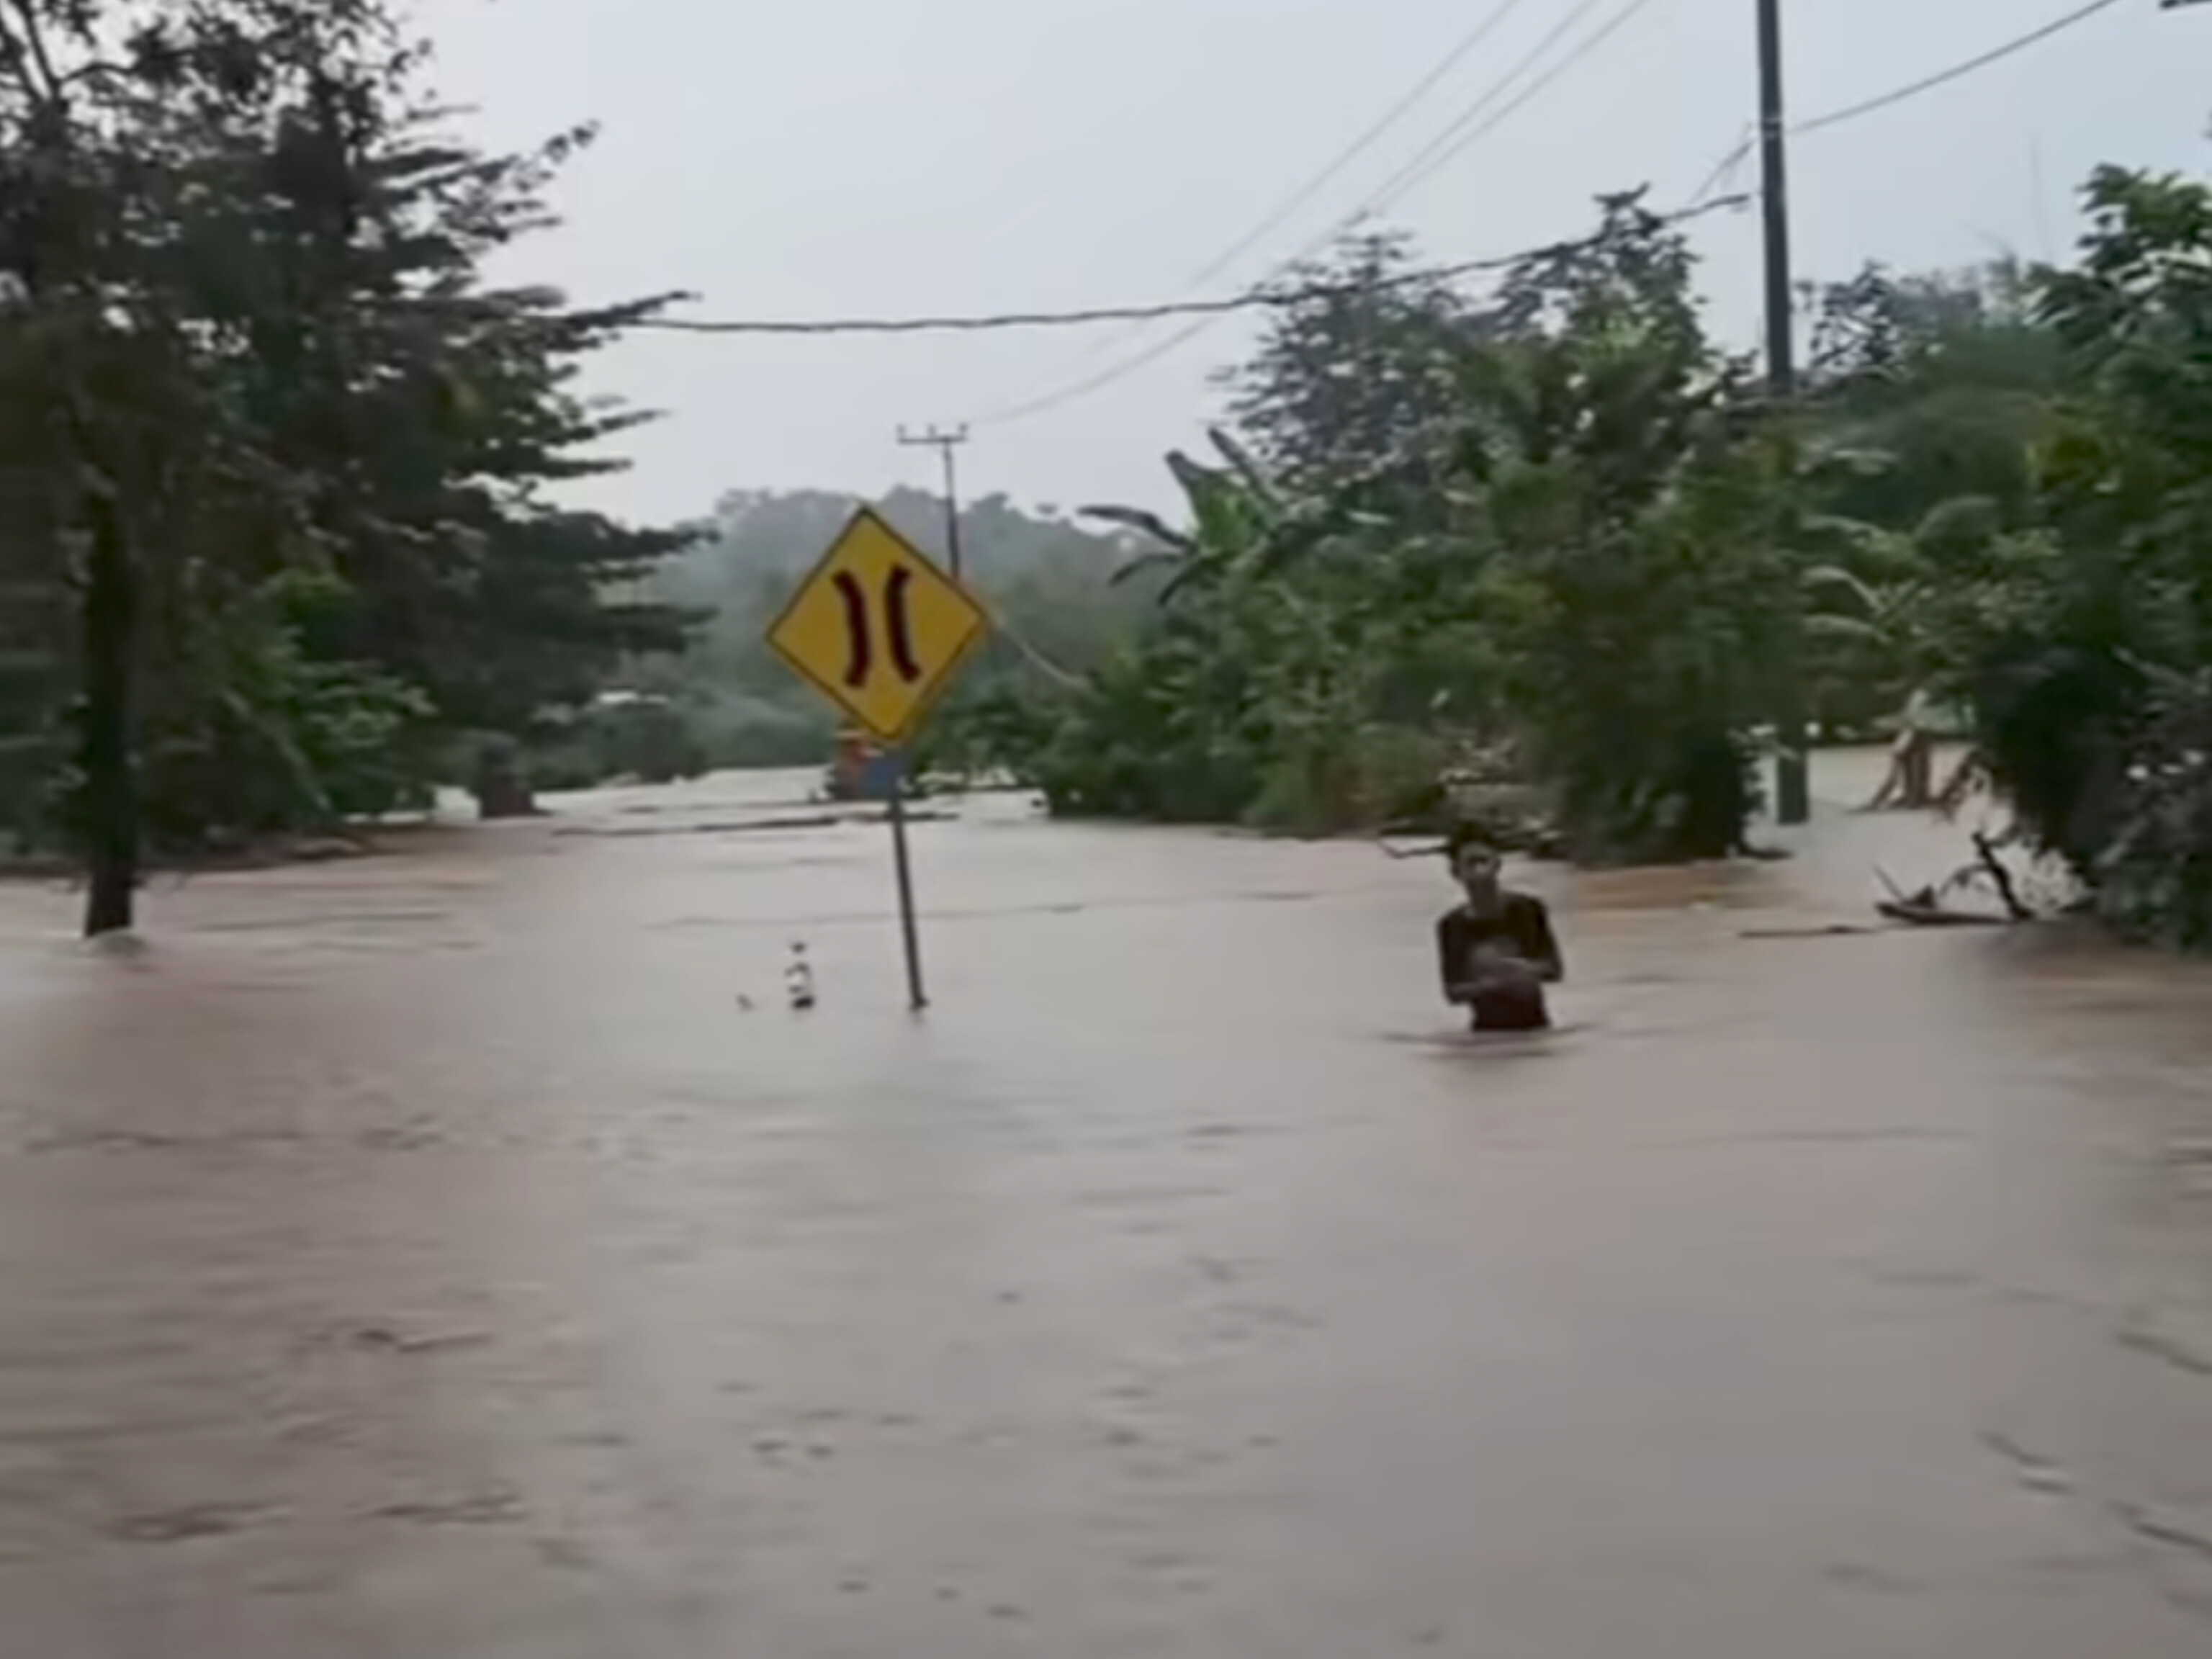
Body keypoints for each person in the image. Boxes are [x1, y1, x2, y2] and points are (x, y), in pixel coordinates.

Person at [1436, 825, 1564, 1032]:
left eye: (1483, 861)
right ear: (1456, 872)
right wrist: (1493, 984)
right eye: (1471, 863)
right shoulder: (1452, 925)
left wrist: (1520, 971)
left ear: (1498, 864)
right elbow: (1452, 993)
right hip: (1486, 1033)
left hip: (1536, 1027)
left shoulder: (1528, 910)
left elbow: (1555, 971)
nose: (1479, 871)